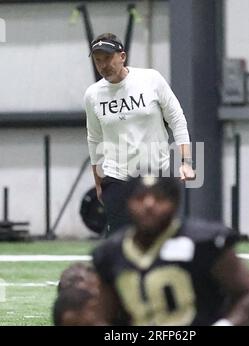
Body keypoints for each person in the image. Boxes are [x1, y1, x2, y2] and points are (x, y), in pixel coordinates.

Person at [91, 175, 249, 326]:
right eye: (140, 198)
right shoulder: (110, 253)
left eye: (159, 198)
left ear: (174, 204)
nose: (149, 205)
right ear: (127, 204)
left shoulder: (203, 242)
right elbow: (106, 315)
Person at [84, 32, 195, 236]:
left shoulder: (150, 79)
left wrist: (186, 162)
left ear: (122, 56)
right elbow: (94, 139)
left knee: (157, 238)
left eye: (107, 58)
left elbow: (177, 119)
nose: (103, 65)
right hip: (116, 176)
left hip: (155, 174)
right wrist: (98, 183)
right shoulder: (93, 95)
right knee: (120, 240)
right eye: (98, 61)